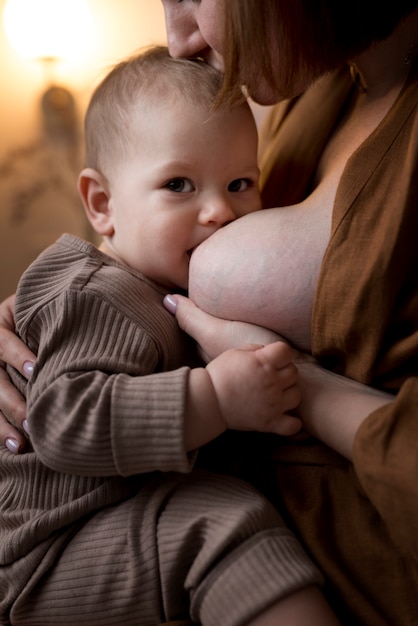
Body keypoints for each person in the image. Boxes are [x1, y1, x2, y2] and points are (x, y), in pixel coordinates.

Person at [0, 0, 417, 623]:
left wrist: (289, 388)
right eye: (179, 186)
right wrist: (212, 400)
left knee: (223, 520)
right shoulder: (302, 86)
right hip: (57, 546)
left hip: (156, 520)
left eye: (241, 185)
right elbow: (61, 420)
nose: (220, 212)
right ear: (100, 203)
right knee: (218, 523)